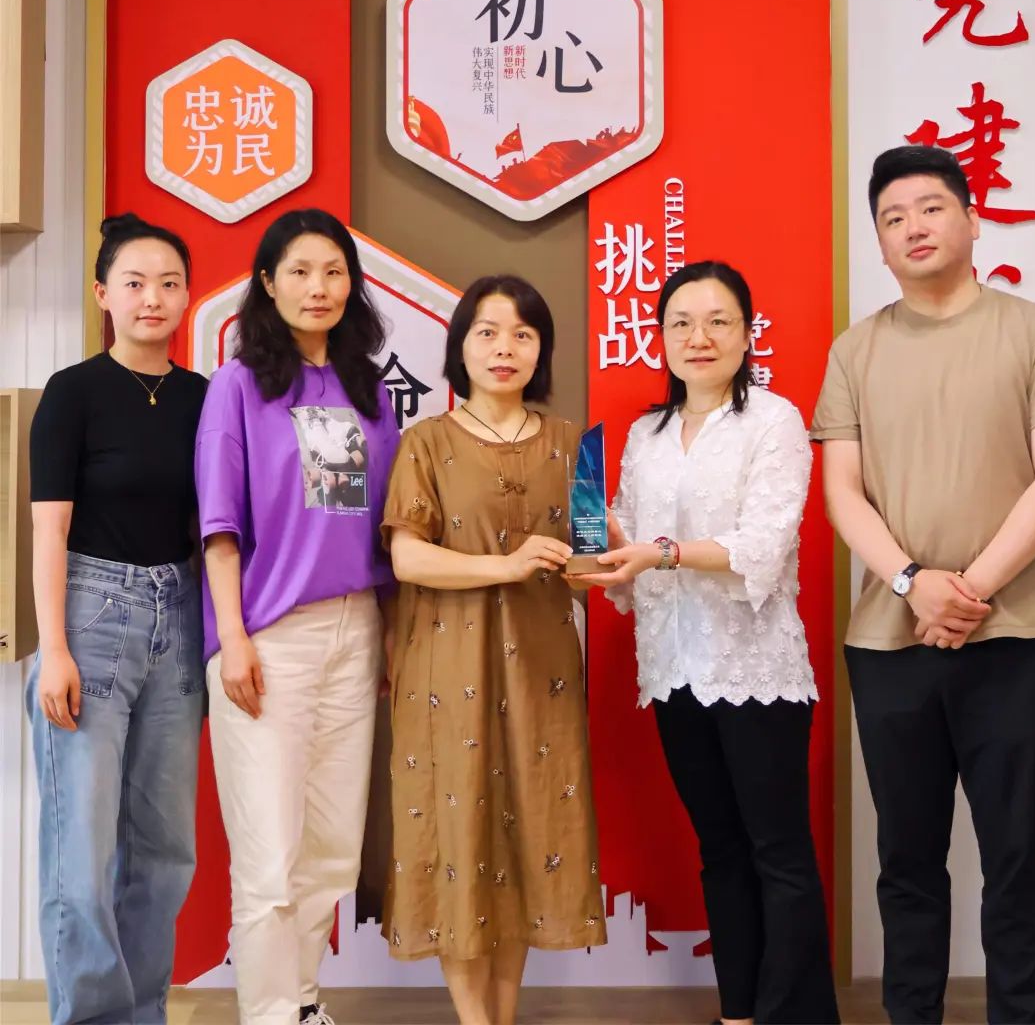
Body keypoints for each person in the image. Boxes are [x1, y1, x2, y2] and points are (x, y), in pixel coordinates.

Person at [812, 144, 1035, 1025]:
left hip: (1015, 639)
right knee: (907, 864)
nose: (913, 227)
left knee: (1017, 862)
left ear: (971, 218)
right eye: (893, 218)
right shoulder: (855, 351)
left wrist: (966, 593)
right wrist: (911, 582)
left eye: (931, 208)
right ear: (880, 244)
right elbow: (842, 493)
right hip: (888, 644)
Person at [581, 260, 839, 1025]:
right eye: (681, 323)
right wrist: (588, 540)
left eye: (718, 321)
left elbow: (762, 544)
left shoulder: (775, 422)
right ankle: (739, 1013)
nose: (699, 337)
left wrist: (658, 553)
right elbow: (625, 547)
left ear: (747, 334)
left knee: (778, 852)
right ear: (660, 338)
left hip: (755, 667)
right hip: (674, 670)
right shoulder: (646, 434)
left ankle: (797, 1016)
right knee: (720, 850)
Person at [381, 274, 607, 1025]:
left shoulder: (575, 443)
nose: (504, 348)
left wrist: (614, 556)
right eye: (487, 332)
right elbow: (408, 558)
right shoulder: (425, 441)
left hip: (542, 667)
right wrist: (505, 566)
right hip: (446, 668)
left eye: (522, 334)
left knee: (529, 833)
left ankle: (502, 1019)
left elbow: (589, 560)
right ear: (461, 346)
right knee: (458, 833)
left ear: (541, 350)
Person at [196, 209, 399, 1025]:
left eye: (334, 271)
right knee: (270, 856)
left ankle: (304, 1002)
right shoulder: (239, 386)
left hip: (359, 629)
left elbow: (387, 525)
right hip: (270, 636)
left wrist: (388, 634)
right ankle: (271, 1015)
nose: (319, 288)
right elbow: (219, 526)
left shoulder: (369, 392)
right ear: (267, 284)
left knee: (332, 848)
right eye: (300, 271)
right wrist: (232, 638)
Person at [26, 213, 207, 1025]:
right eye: (134, 283)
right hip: (91, 615)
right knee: (83, 850)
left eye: (169, 283)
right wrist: (54, 648)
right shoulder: (74, 392)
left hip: (181, 615)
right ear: (103, 293)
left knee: (165, 850)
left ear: (188, 296)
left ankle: (140, 1014)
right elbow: (48, 530)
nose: (152, 298)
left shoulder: (203, 397)